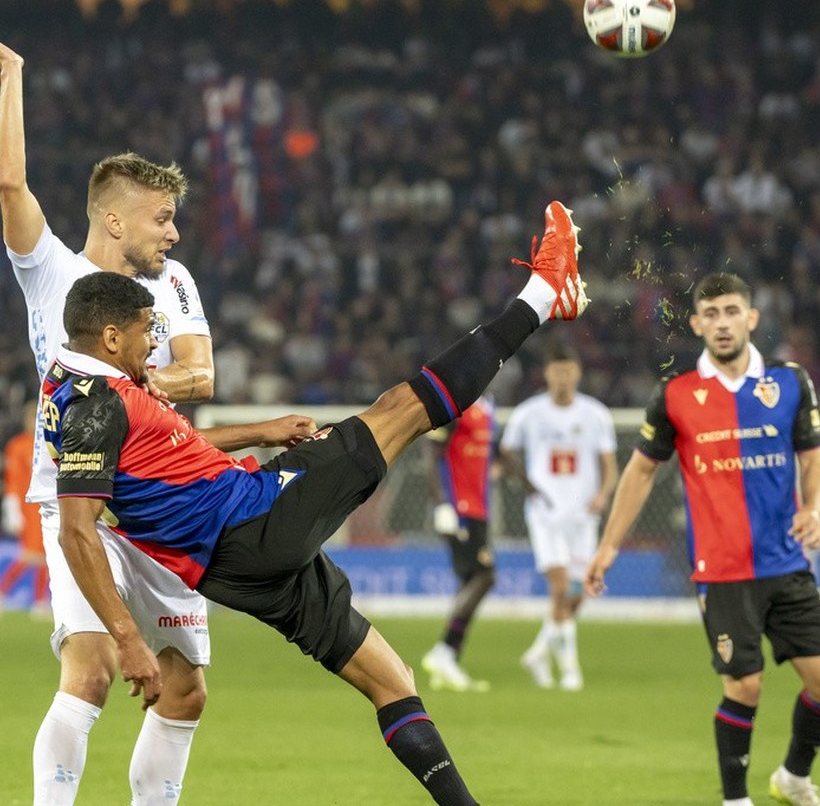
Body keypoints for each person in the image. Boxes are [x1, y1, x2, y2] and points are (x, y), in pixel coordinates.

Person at [49, 202, 587, 805]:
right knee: (401, 411)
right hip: (252, 520)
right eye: (148, 332)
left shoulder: (81, 386)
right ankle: (544, 293)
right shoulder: (96, 405)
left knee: (392, 680)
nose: (156, 347)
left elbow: (165, 448)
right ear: (111, 335)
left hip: (236, 562)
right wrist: (127, 639)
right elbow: (76, 531)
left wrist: (258, 431)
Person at [0, 20, 222, 806]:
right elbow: (12, 185)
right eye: (160, 220)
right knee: (93, 667)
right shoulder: (50, 272)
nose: (173, 234)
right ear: (115, 219)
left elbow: (201, 374)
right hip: (76, 495)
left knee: (186, 690)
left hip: (164, 500)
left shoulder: (171, 284)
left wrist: (114, 390)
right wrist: (12, 73)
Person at [587, 272, 820, 806]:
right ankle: (735, 800)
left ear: (751, 317)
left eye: (732, 311)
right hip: (722, 569)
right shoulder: (676, 394)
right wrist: (609, 545)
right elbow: (639, 473)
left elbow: (814, 456)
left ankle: (794, 777)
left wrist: (816, 508)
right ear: (696, 324)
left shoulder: (791, 382)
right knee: (744, 686)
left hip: (787, 563)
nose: (723, 323)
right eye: (712, 314)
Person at [498, 346, 616, 691]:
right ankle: (569, 670)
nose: (563, 378)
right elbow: (505, 452)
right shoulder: (528, 413)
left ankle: (537, 652)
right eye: (557, 371)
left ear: (577, 373)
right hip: (546, 515)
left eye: (569, 371)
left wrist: (603, 494)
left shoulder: (595, 414)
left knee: (579, 593)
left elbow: (609, 465)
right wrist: (527, 483)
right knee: (561, 588)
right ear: (547, 374)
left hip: (583, 517)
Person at [419, 396, 497, 692]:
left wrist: (530, 485)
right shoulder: (457, 405)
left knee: (469, 579)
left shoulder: (488, 408)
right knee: (485, 576)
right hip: (459, 508)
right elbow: (429, 451)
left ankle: (447, 660)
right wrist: (441, 505)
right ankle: (445, 652)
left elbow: (495, 452)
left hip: (478, 509)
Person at [0, 400, 51, 619]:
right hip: (28, 508)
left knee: (46, 556)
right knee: (30, 556)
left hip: (46, 504)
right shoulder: (18, 445)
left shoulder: (47, 443)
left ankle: (40, 602)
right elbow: (12, 480)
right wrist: (12, 509)